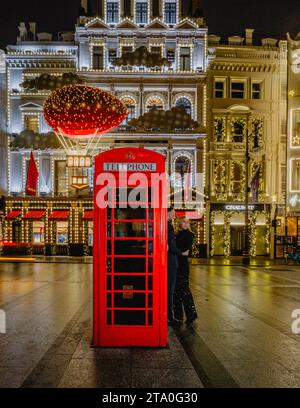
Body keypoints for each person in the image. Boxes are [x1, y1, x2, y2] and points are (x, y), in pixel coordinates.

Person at [173, 219, 198, 326]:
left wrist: (174, 249)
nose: (186, 224)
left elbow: (185, 250)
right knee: (176, 291)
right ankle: (178, 316)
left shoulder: (189, 234)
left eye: (187, 222)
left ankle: (191, 316)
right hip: (176, 264)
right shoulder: (177, 234)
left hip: (182, 265)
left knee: (184, 290)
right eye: (183, 222)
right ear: (179, 223)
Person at [167, 207, 188, 325]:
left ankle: (168, 315)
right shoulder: (169, 226)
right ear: (168, 212)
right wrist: (181, 253)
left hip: (167, 261)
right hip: (171, 262)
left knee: (169, 290)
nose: (174, 215)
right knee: (170, 290)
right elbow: (172, 246)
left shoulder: (167, 225)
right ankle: (169, 317)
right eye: (173, 213)